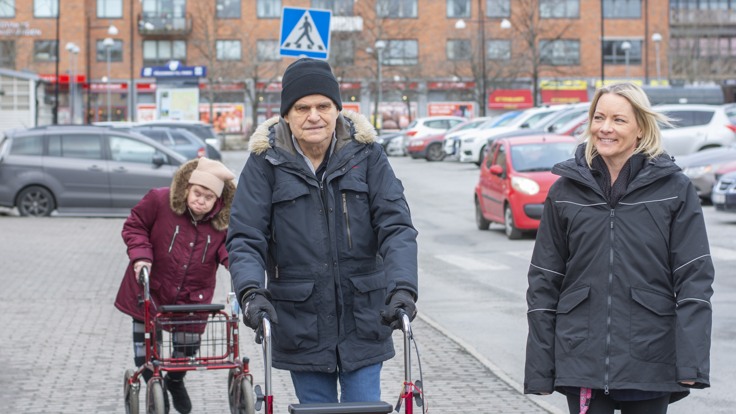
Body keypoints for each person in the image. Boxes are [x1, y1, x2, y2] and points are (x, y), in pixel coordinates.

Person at [226, 57, 418, 404]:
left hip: (364, 318)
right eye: (302, 107)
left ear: (337, 110)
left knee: (364, 408)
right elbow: (245, 237)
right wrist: (251, 293)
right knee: (316, 412)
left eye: (322, 106)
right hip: (301, 321)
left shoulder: (367, 155)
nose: (313, 115)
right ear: (286, 114)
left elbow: (396, 226)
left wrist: (402, 288)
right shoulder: (265, 162)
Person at [524, 82, 714, 414]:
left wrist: (691, 363)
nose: (605, 128)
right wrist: (540, 368)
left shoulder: (674, 189)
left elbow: (694, 278)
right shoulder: (565, 191)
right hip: (581, 357)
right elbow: (544, 281)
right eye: (599, 118)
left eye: (618, 120)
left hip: (649, 358)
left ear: (641, 127)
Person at [115, 157, 235, 414]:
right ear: (187, 189)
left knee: (187, 350)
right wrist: (141, 257)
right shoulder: (159, 200)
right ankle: (156, 388)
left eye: (208, 197)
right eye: (197, 193)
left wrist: (236, 266)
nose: (201, 200)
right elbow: (135, 226)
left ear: (218, 201)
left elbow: (229, 248)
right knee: (146, 352)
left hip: (194, 294)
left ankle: (175, 381)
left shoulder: (222, 223)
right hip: (150, 288)